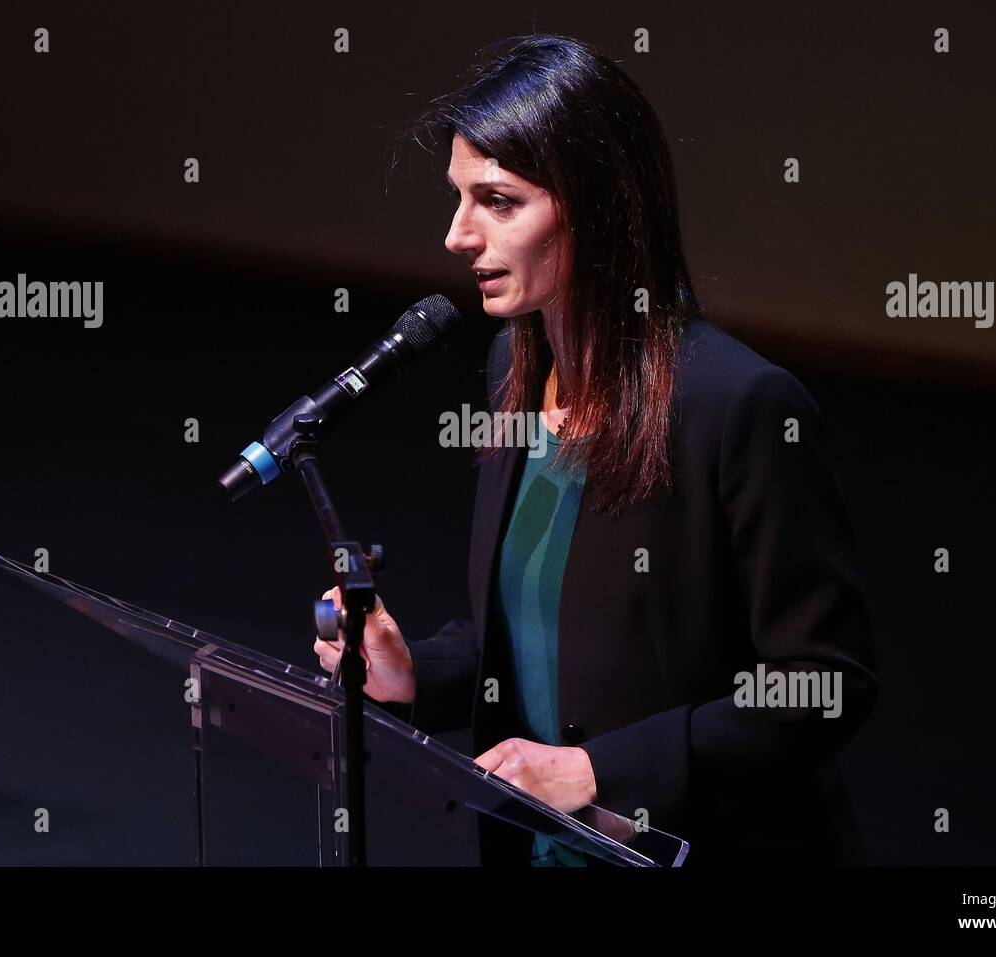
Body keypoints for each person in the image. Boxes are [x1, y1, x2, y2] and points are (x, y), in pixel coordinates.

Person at [313, 34, 877, 867]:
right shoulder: (515, 365)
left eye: (498, 202)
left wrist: (595, 770)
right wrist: (413, 675)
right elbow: (542, 634)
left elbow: (824, 683)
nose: (456, 236)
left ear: (600, 207)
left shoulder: (739, 406)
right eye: (459, 198)